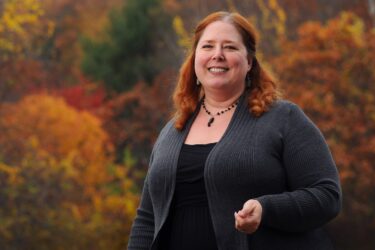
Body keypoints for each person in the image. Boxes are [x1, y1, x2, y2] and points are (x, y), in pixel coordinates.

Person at [127, 11, 342, 250]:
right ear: (195, 58)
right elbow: (147, 219)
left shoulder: (283, 118)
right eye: (207, 46)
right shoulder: (173, 130)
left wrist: (266, 209)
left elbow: (327, 195)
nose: (217, 55)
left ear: (249, 62)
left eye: (229, 47)